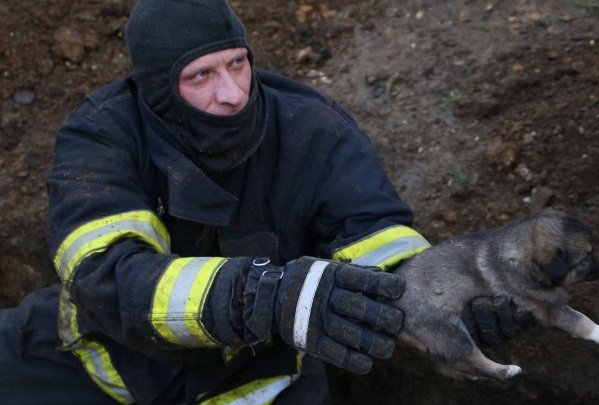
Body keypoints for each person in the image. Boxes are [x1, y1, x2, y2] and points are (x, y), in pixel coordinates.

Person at [0, 0, 530, 403]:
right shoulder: (103, 135)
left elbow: (373, 238)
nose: (232, 92)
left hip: (262, 386)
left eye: (237, 63)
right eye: (201, 75)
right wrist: (267, 297)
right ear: (157, 88)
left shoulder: (314, 129)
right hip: (103, 370)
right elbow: (109, 276)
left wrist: (436, 295)